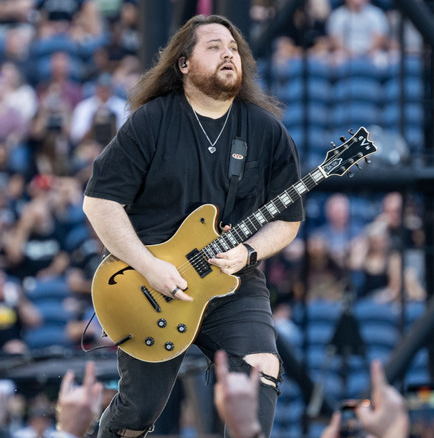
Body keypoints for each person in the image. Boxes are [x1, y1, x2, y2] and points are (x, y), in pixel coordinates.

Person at [82, 14, 304, 438]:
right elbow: (100, 203)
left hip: (231, 283)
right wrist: (148, 266)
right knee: (140, 409)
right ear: (183, 63)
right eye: (215, 46)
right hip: (154, 283)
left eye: (234, 48)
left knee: (262, 367)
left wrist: (249, 252)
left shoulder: (266, 131)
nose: (228, 53)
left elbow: (287, 221)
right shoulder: (152, 121)